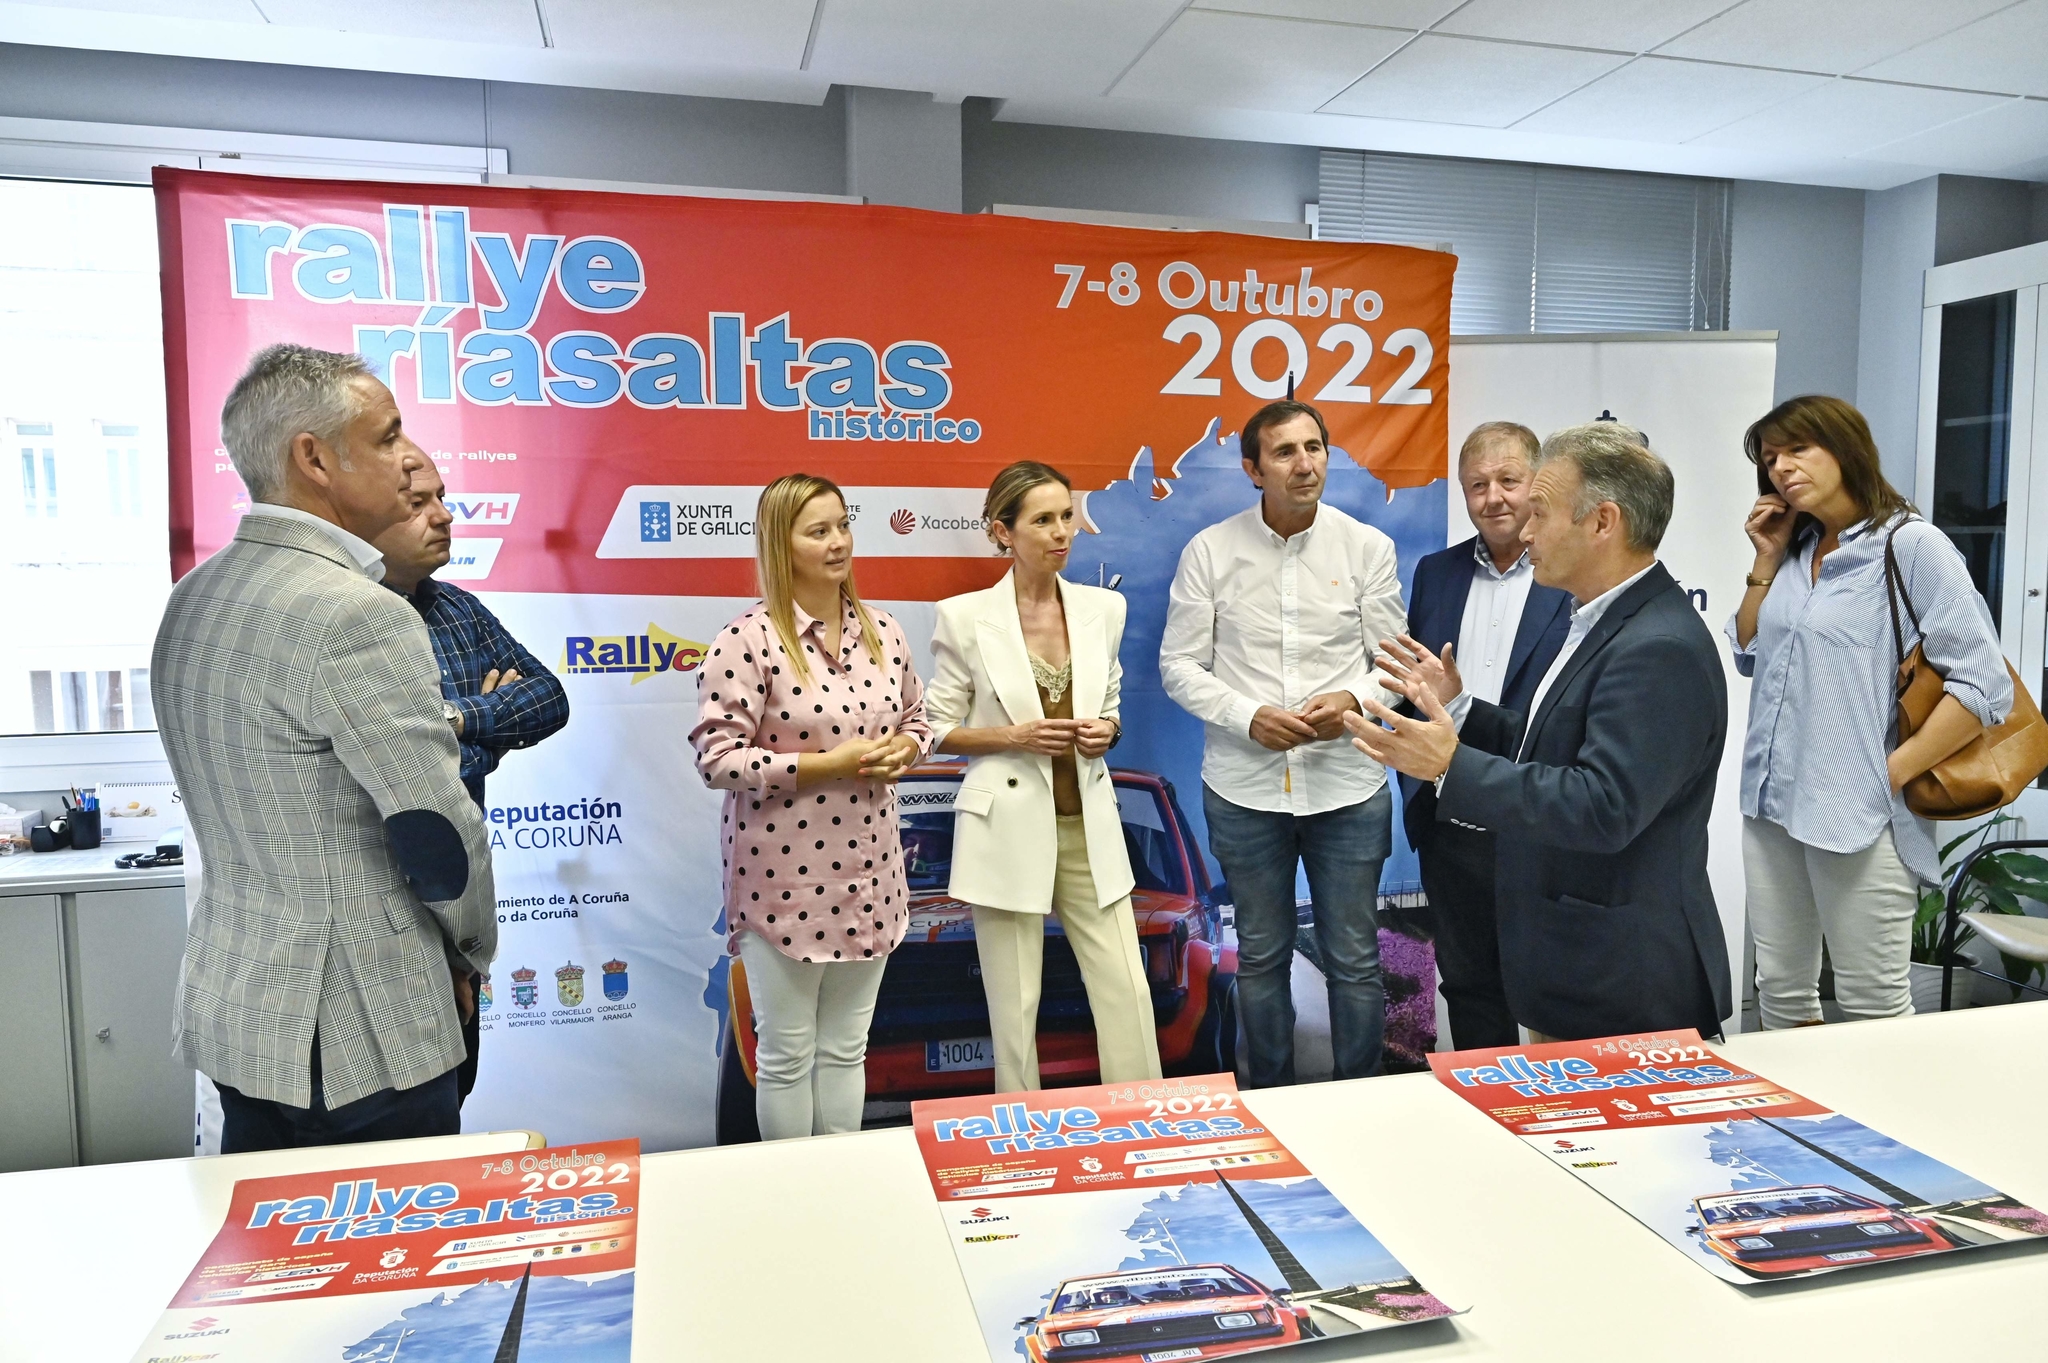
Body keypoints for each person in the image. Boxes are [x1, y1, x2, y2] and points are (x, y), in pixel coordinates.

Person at [152, 343, 495, 1152]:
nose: (407, 458)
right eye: (386, 435)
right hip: (364, 1029)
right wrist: (468, 952)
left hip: (242, 1013)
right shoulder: (358, 613)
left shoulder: (194, 596)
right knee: (396, 1236)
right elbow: (438, 840)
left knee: (273, 1230)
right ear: (314, 459)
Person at [1350, 422, 1730, 1042]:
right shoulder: (1603, 619)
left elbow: (1603, 806)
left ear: (1602, 522)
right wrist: (1461, 710)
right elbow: (1548, 745)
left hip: (1622, 982)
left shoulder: (1657, 646)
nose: (1524, 533)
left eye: (1541, 514)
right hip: (1582, 966)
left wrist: (1450, 765)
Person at [1731, 395, 2009, 1028]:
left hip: (1858, 813)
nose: (1781, 467)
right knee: (1779, 992)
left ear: (1845, 447)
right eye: (1770, 458)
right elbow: (1749, 651)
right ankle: (1797, 1100)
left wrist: (1890, 773)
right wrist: (1766, 560)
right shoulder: (1796, 548)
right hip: (1771, 805)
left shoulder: (1911, 546)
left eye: (1798, 449)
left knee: (1872, 1007)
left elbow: (1983, 685)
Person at [1161, 399, 1406, 1086]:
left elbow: (1394, 665)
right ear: (1252, 469)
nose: (1305, 464)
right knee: (1262, 958)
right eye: (1285, 452)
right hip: (1245, 788)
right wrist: (1249, 716)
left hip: (1346, 786)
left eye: (1314, 448)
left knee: (1354, 960)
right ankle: (1271, 1102)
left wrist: (1352, 700)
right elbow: (1178, 665)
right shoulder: (1211, 551)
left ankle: (1359, 1101)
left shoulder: (1367, 548)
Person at [690, 473, 930, 1139]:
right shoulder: (747, 640)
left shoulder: (884, 629)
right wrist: (827, 765)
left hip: (872, 874)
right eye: (818, 531)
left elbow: (919, 718)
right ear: (781, 543)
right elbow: (717, 759)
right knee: (788, 1053)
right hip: (782, 881)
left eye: (843, 525)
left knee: (848, 1048)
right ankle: (790, 1187)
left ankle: (843, 1177)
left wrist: (905, 749)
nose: (838, 542)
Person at [926, 461, 1162, 1095]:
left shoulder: (1104, 609)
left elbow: (1109, 706)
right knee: (1014, 1008)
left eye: (1066, 516)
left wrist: (1107, 731)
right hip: (1004, 828)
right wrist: (1015, 737)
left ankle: (1144, 1116)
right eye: (1043, 520)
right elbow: (935, 728)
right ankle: (1022, 1124)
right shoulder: (964, 617)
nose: (1062, 532)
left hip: (1087, 825)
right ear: (1002, 532)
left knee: (1127, 991)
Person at [372, 458, 570, 1104]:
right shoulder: (348, 623)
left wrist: (458, 718)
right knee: (396, 1120)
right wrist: (485, 736)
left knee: (453, 1094)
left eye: (443, 498)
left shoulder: (456, 608)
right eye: (419, 504)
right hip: (383, 924)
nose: (444, 516)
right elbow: (400, 770)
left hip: (459, 919)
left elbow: (549, 699)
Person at [1400, 421, 1571, 1050]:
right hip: (1449, 814)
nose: (1493, 497)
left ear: (1538, 483)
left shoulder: (1569, 570)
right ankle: (1484, 1099)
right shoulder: (1435, 572)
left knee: (1551, 984)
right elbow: (1416, 683)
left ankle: (1553, 1103)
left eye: (1508, 480)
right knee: (1469, 985)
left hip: (1540, 810)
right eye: (1477, 485)